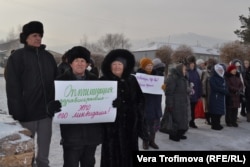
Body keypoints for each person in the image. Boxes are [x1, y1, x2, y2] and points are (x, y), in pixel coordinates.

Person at [5, 21, 60, 167]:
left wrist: (54, 103)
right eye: (34, 35)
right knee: (28, 153)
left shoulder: (48, 57)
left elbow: (57, 83)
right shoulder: (17, 57)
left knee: (43, 156)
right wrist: (18, 112)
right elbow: (12, 87)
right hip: (26, 114)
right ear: (26, 38)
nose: (38, 38)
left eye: (40, 35)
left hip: (45, 114)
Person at [52, 46, 102, 167]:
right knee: (70, 164)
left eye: (82, 61)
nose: (79, 64)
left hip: (91, 136)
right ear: (70, 63)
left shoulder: (95, 81)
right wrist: (52, 106)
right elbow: (51, 103)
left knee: (89, 163)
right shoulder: (61, 82)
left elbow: (102, 102)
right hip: (71, 136)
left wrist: (111, 103)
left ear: (87, 63)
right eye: (76, 60)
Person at [100, 49, 148, 167]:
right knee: (111, 158)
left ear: (125, 66)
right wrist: (109, 104)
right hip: (111, 130)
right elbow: (96, 104)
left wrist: (132, 110)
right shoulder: (103, 81)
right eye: (114, 64)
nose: (117, 67)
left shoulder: (132, 80)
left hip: (130, 128)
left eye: (120, 64)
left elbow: (140, 101)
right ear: (109, 66)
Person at [137, 58, 162, 149]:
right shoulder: (139, 77)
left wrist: (163, 87)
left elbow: (161, 88)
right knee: (145, 125)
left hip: (155, 104)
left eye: (151, 65)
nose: (150, 67)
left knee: (154, 125)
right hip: (145, 104)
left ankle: (152, 141)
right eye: (147, 65)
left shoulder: (157, 76)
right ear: (143, 66)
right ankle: (145, 141)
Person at [164, 62, 190, 142]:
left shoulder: (183, 78)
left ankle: (180, 133)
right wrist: (170, 104)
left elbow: (184, 89)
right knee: (175, 120)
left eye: (185, 69)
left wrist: (189, 90)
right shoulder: (173, 78)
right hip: (175, 103)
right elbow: (169, 92)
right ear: (179, 69)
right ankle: (173, 135)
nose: (185, 71)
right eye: (184, 69)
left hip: (182, 102)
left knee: (182, 120)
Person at [209, 64, 228, 130]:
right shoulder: (212, 78)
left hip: (221, 97)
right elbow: (215, 87)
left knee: (219, 112)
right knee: (215, 112)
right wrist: (223, 90)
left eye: (221, 70)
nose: (220, 71)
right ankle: (214, 125)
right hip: (215, 97)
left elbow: (225, 86)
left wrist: (226, 90)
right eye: (219, 70)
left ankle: (218, 124)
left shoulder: (222, 78)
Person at [186, 56, 202, 128]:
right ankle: (188, 122)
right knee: (188, 109)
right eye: (191, 63)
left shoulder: (196, 72)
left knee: (193, 109)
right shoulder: (186, 72)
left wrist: (199, 94)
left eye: (193, 63)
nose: (192, 65)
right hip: (189, 94)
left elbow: (199, 83)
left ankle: (192, 121)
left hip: (195, 94)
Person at [201, 58, 217, 125]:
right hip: (207, 93)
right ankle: (207, 119)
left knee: (212, 106)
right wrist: (204, 92)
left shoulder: (214, 73)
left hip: (213, 92)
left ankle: (211, 118)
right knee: (207, 107)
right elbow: (203, 83)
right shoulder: (205, 72)